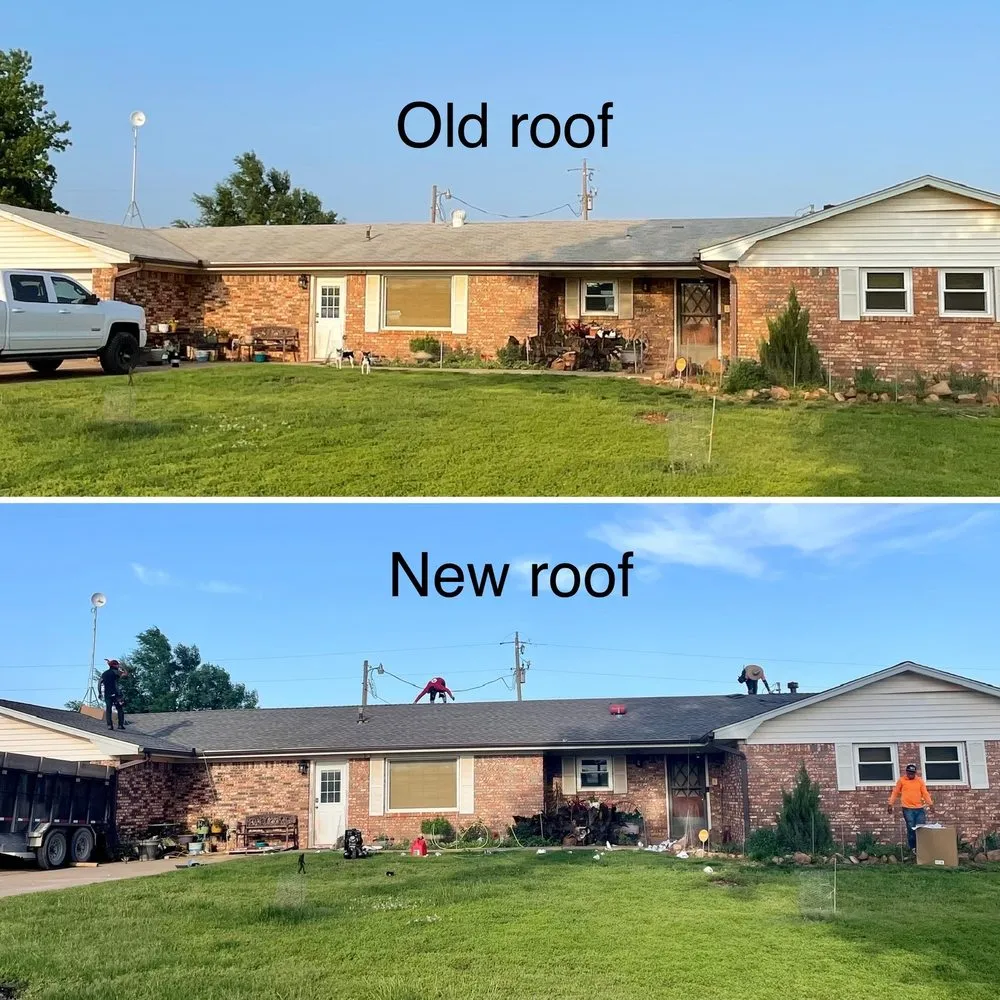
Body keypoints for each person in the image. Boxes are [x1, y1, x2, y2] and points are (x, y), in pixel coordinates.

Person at [888, 763, 934, 851]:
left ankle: (921, 848)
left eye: (912, 773)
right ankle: (913, 848)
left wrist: (930, 804)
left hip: (919, 808)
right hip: (907, 809)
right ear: (906, 772)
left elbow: (925, 793)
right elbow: (895, 792)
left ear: (915, 773)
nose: (910, 775)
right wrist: (890, 804)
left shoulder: (919, 781)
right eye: (909, 773)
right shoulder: (901, 781)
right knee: (911, 828)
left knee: (921, 828)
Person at [97, 659, 128, 731]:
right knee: (120, 708)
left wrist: (100, 693)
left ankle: (109, 725)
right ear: (115, 665)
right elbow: (125, 674)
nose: (118, 665)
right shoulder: (117, 672)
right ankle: (120, 725)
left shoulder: (104, 674)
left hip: (107, 694)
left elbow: (99, 683)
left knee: (108, 709)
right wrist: (123, 667)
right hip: (117, 694)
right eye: (117, 664)